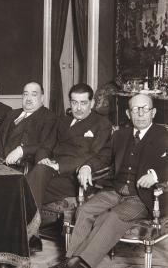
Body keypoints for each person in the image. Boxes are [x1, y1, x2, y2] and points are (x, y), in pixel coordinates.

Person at [51, 94, 168, 268]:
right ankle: (71, 260)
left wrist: (156, 176)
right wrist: (87, 167)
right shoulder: (121, 135)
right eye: (135, 109)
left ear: (154, 112)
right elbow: (103, 156)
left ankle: (82, 264)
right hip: (115, 190)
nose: (141, 113)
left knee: (112, 216)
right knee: (85, 209)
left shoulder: (162, 134)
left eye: (145, 109)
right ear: (128, 114)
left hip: (142, 198)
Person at [27, 83, 112, 211]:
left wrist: (59, 166)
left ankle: (24, 228)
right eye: (74, 103)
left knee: (24, 189)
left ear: (92, 103)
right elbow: (46, 146)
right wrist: (42, 159)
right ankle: (27, 228)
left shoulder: (101, 124)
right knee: (27, 185)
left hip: (75, 177)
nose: (78, 108)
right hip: (49, 171)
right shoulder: (63, 121)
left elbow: (94, 155)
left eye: (83, 103)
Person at [0, 82, 57, 166]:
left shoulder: (49, 117)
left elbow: (46, 145)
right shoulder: (12, 114)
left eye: (34, 95)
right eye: (25, 94)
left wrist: (21, 151)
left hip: (20, 167)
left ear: (42, 98)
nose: (28, 98)